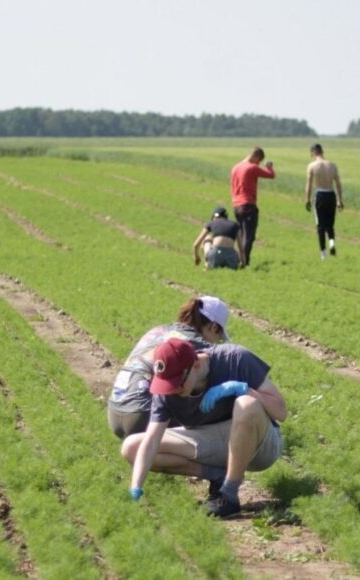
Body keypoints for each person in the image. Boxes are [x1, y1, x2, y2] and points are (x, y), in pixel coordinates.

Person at [121, 338, 287, 518]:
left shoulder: (236, 359)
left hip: (261, 445)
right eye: (167, 383)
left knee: (246, 405)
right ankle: (218, 476)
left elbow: (280, 411)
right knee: (132, 448)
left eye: (178, 383)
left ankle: (228, 495)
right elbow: (152, 440)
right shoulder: (167, 388)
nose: (172, 390)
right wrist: (135, 488)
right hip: (218, 442)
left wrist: (243, 389)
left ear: (196, 365)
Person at [107, 296, 231, 439]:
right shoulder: (194, 344)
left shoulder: (159, 330)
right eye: (219, 337)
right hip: (143, 415)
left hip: (115, 411)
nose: (217, 342)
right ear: (214, 327)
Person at [230, 147, 275, 268]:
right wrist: (269, 166)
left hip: (236, 205)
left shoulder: (235, 167)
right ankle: (243, 263)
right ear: (256, 157)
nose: (258, 164)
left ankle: (237, 260)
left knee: (241, 235)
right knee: (248, 237)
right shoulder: (252, 167)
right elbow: (271, 175)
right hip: (248, 205)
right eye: (259, 161)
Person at [305, 143, 344, 260]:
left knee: (320, 226)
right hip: (331, 195)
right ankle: (332, 244)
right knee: (330, 225)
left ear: (313, 152)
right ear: (322, 152)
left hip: (320, 195)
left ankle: (323, 254)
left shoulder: (312, 166)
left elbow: (309, 184)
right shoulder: (332, 165)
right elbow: (338, 184)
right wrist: (340, 200)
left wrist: (307, 199)